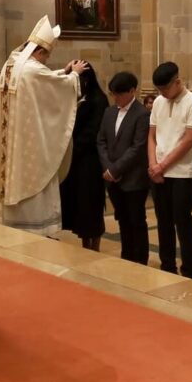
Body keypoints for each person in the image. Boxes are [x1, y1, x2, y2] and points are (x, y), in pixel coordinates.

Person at [0, 16, 86, 236]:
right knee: (39, 176)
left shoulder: (11, 64)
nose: (46, 61)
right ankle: (40, 229)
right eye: (47, 56)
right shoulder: (32, 70)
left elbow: (45, 80)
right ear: (39, 51)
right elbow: (53, 86)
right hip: (31, 144)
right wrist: (74, 76)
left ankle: (16, 223)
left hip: (13, 143)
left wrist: (62, 72)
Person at [148, 62, 192, 278]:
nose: (162, 94)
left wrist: (162, 165)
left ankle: (189, 269)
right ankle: (167, 265)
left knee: (183, 221)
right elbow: (151, 136)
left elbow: (189, 140)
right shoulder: (159, 102)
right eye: (159, 90)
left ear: (177, 82)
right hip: (159, 171)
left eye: (165, 89)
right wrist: (153, 165)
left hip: (180, 173)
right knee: (163, 221)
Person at [98, 72, 150, 264]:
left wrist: (116, 169)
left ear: (131, 91)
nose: (116, 98)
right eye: (113, 94)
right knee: (122, 220)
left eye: (119, 94)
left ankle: (140, 260)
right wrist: (108, 168)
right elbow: (101, 141)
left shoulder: (142, 114)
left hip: (133, 178)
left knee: (136, 220)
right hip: (112, 177)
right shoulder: (109, 112)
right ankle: (126, 257)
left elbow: (138, 147)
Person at [60, 65, 107, 251]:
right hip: (74, 160)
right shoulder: (76, 98)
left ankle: (93, 243)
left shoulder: (98, 100)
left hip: (89, 160)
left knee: (90, 203)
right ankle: (83, 241)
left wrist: (72, 145)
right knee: (77, 204)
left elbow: (93, 132)